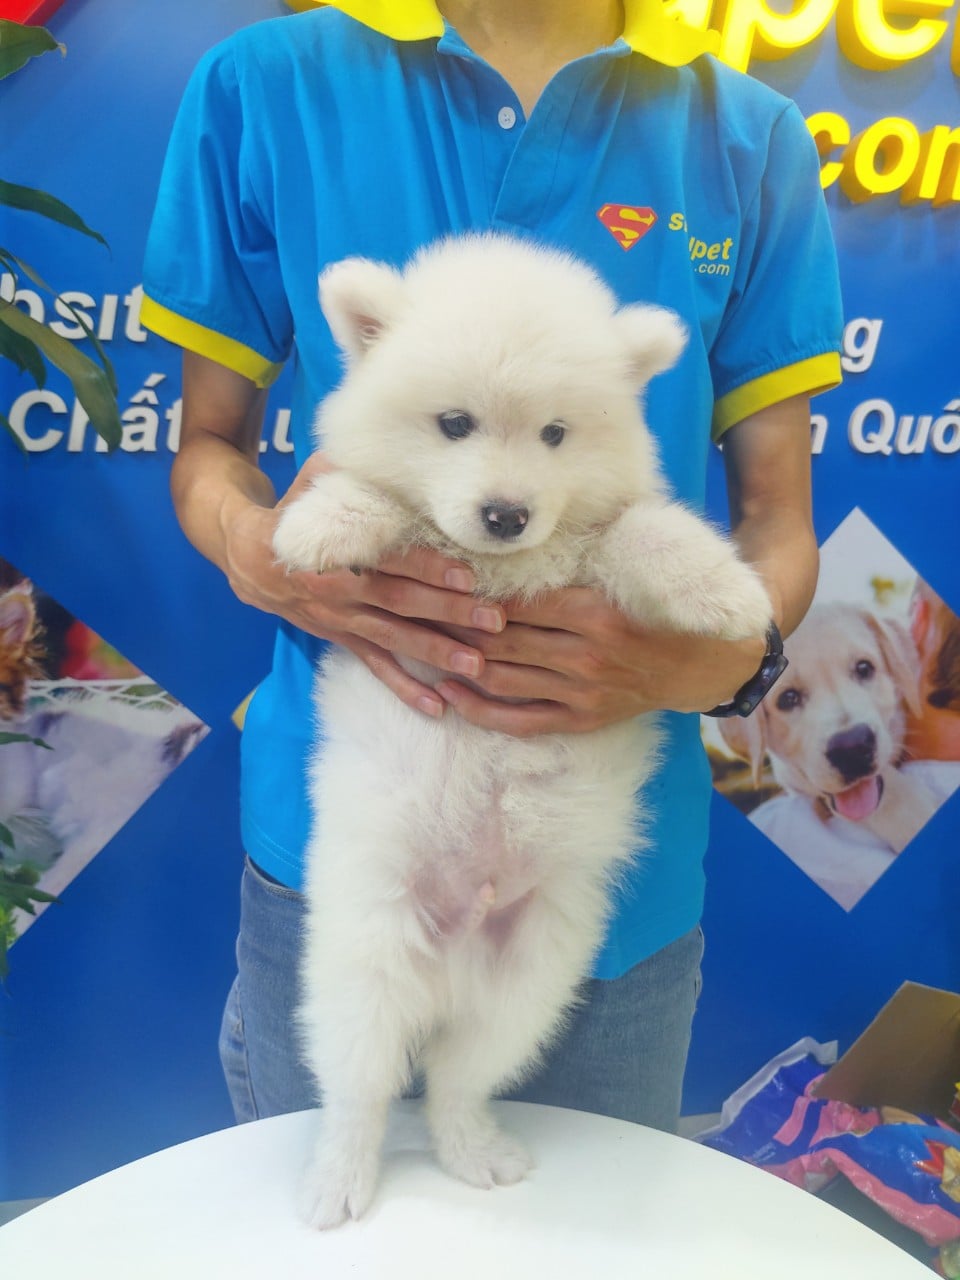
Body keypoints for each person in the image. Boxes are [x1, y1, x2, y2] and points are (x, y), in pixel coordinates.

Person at [141, 0, 842, 1133]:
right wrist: (258, 551)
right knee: (339, 1191)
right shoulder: (267, 84)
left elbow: (779, 522)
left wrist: (717, 664)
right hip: (346, 835)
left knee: (581, 1214)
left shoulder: (747, 136)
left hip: (602, 869)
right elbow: (207, 448)